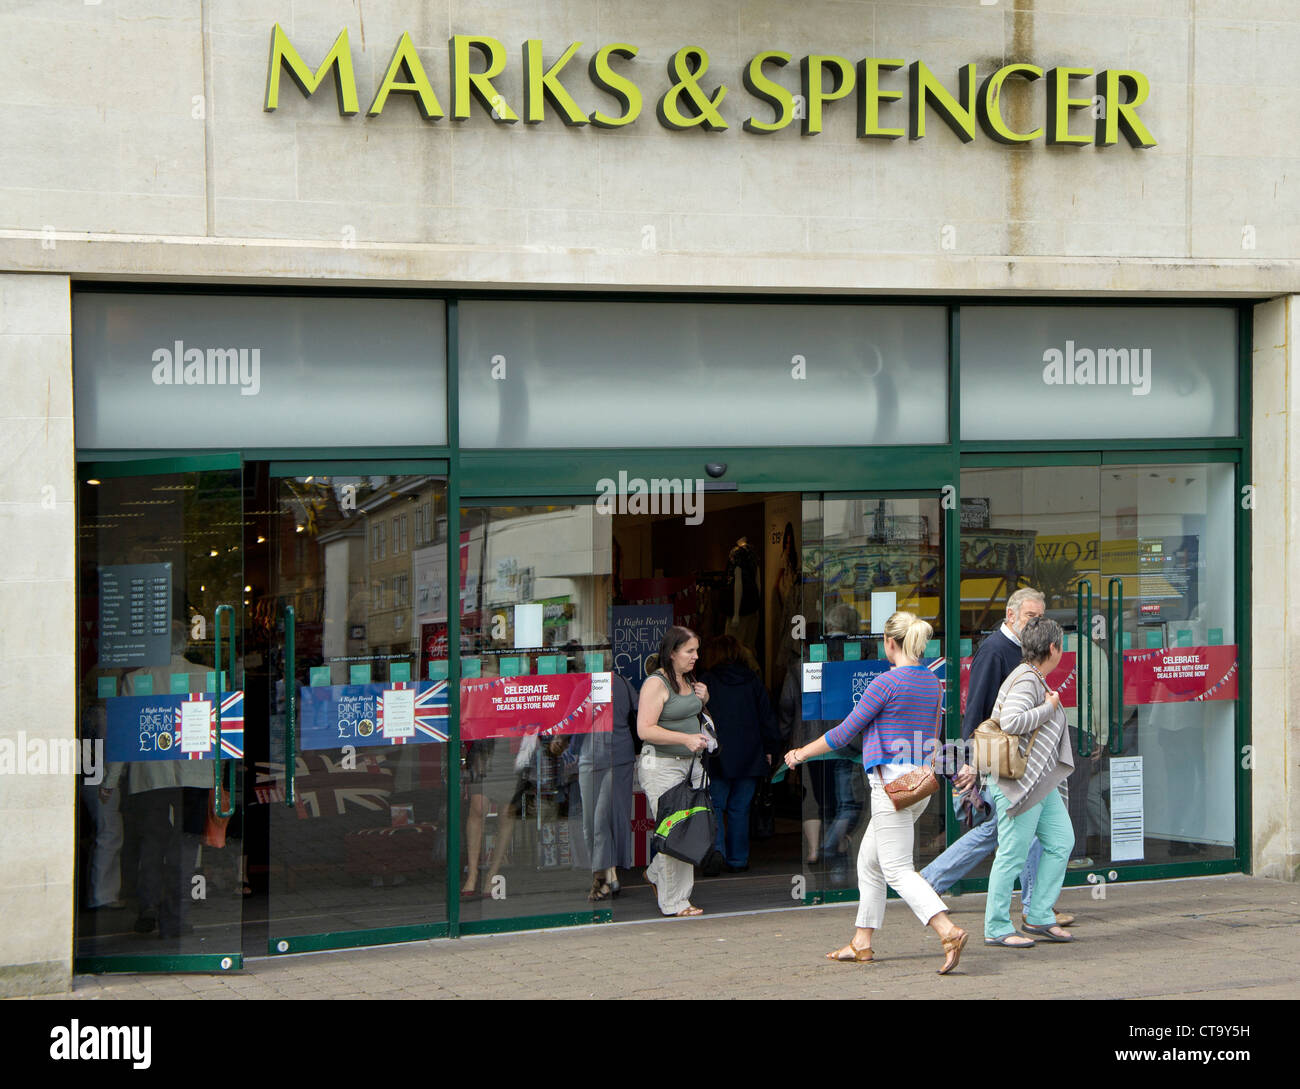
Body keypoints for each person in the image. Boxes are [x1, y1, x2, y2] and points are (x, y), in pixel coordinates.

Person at [784, 611, 969, 975]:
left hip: (890, 790)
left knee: (897, 869)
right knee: (869, 863)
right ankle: (862, 943)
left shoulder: (885, 683)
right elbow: (933, 739)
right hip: (918, 787)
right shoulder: (932, 683)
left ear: (889, 642)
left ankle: (947, 931)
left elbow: (842, 733)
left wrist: (800, 753)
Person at [920, 588, 1074, 929]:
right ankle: (1030, 908)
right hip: (1003, 761)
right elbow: (977, 710)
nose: (1037, 623)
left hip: (1014, 761)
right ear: (1010, 616)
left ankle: (930, 882)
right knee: (1016, 832)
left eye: (1041, 617)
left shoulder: (1021, 654)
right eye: (1031, 617)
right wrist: (971, 763)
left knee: (1000, 830)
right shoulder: (994, 652)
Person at [983, 616, 1077, 947]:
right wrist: (1049, 708)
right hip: (1019, 782)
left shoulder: (1033, 676)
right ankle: (996, 926)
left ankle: (1039, 914)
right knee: (1012, 853)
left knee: (1061, 840)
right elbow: (1011, 722)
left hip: (1038, 780)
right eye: (1061, 645)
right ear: (1053, 648)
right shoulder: (1027, 680)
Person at [636, 626, 711, 917]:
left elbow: (691, 717)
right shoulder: (656, 683)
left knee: (690, 829)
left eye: (696, 650)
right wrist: (686, 739)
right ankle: (675, 902)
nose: (696, 656)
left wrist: (703, 700)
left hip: (691, 765)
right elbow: (645, 729)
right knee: (676, 831)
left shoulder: (687, 678)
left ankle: (656, 874)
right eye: (689, 651)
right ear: (672, 653)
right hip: (662, 767)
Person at [698, 635, 780, 873]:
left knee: (715, 806)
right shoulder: (753, 681)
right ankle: (738, 859)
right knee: (740, 809)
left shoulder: (706, 682)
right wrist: (770, 749)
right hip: (750, 754)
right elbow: (767, 718)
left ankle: (717, 855)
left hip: (717, 755)